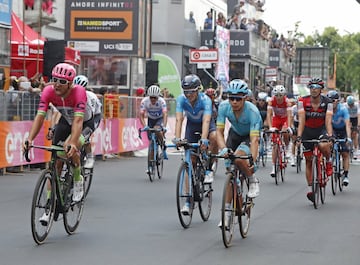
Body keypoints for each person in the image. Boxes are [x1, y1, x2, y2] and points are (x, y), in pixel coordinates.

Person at [23, 63, 87, 224]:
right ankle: (49, 206)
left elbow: (78, 121)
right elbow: (40, 116)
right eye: (55, 79)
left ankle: (78, 179)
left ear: (70, 83)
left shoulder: (79, 92)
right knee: (56, 161)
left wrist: (73, 143)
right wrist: (29, 139)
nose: (57, 84)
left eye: (62, 81)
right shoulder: (48, 91)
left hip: (86, 122)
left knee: (69, 148)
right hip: (66, 120)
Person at [216, 79, 261, 227]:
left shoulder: (253, 111)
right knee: (231, 174)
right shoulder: (223, 107)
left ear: (245, 98)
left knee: (240, 159)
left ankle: (252, 180)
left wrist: (252, 162)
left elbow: (254, 140)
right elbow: (219, 132)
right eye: (231, 98)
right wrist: (223, 148)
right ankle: (228, 213)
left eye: (238, 99)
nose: (234, 102)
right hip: (234, 135)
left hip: (249, 136)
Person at [173, 74, 216, 214]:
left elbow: (206, 121)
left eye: (191, 91)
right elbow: (179, 120)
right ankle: (187, 201)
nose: (188, 94)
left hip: (206, 125)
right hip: (191, 126)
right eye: (185, 91)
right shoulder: (181, 100)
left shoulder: (206, 100)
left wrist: (204, 139)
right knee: (189, 161)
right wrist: (177, 138)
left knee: (214, 137)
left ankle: (209, 168)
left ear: (198, 90)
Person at [296, 78, 333, 203]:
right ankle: (310, 189)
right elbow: (301, 120)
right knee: (308, 161)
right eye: (311, 87)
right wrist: (299, 136)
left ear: (321, 89)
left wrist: (330, 135)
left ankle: (328, 161)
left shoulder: (328, 102)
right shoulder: (302, 101)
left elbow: (328, 121)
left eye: (317, 87)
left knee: (323, 145)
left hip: (321, 130)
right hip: (307, 131)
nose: (314, 89)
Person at [74, 75, 103, 169]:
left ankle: (90, 156)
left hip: (94, 116)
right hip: (80, 116)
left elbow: (91, 115)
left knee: (85, 137)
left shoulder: (91, 97)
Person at [267, 85, 293, 176]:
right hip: (276, 119)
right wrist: (270, 127)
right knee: (275, 144)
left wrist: (289, 126)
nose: (278, 97)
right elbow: (269, 115)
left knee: (285, 131)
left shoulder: (287, 102)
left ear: (283, 95)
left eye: (280, 95)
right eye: (276, 95)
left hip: (285, 119)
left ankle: (287, 147)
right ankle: (274, 167)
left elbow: (289, 115)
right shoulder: (271, 101)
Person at [139, 85, 169, 165]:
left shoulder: (162, 101)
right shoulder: (144, 101)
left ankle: (163, 145)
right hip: (150, 119)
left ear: (158, 97)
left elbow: (165, 114)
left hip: (159, 119)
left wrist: (164, 126)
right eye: (151, 97)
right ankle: (151, 163)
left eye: (155, 98)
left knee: (156, 129)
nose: (153, 99)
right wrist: (145, 125)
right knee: (151, 141)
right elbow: (141, 115)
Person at [327, 90, 351, 186]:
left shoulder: (343, 109)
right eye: (329, 101)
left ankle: (345, 175)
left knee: (345, 153)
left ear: (337, 101)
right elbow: (327, 124)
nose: (331, 103)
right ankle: (330, 160)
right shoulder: (327, 110)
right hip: (333, 130)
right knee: (328, 144)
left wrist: (348, 138)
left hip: (343, 130)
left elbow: (347, 124)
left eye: (333, 101)